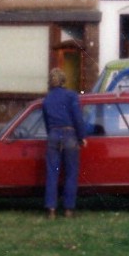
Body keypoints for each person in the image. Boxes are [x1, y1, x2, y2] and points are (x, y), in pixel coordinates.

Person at [42, 67, 88, 219]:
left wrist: (52, 135)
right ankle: (68, 210)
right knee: (70, 174)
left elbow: (46, 122)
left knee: (52, 173)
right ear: (63, 80)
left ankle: (51, 210)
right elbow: (78, 118)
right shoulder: (71, 96)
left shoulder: (47, 99)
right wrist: (82, 137)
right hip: (69, 135)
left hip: (53, 135)